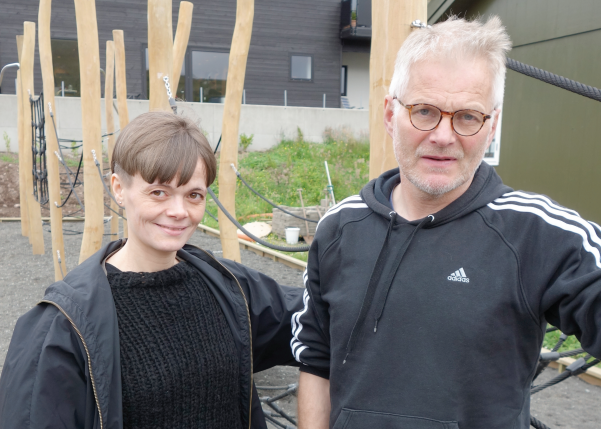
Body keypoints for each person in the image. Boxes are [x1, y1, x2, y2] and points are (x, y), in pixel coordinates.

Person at [292, 16, 601, 429]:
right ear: (390, 114)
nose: (443, 135)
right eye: (424, 111)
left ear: (491, 126)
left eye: (468, 117)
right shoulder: (339, 228)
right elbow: (316, 360)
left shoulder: (542, 234)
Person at [0, 111, 303, 429]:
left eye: (194, 195)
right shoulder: (65, 325)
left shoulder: (229, 287)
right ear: (119, 188)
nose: (179, 211)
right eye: (159, 192)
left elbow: (318, 316)